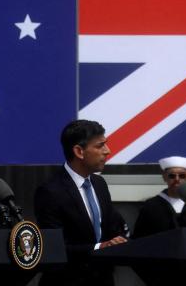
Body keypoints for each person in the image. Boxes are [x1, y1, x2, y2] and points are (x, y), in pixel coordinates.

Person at [34, 119, 128, 286]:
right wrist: (100, 247)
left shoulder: (100, 184)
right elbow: (55, 247)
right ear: (79, 151)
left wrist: (119, 239)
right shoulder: (50, 192)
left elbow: (112, 226)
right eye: (100, 146)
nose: (108, 151)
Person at [131, 156, 186, 238]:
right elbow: (139, 238)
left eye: (182, 176)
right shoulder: (150, 206)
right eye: (172, 176)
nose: (177, 179)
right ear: (164, 177)